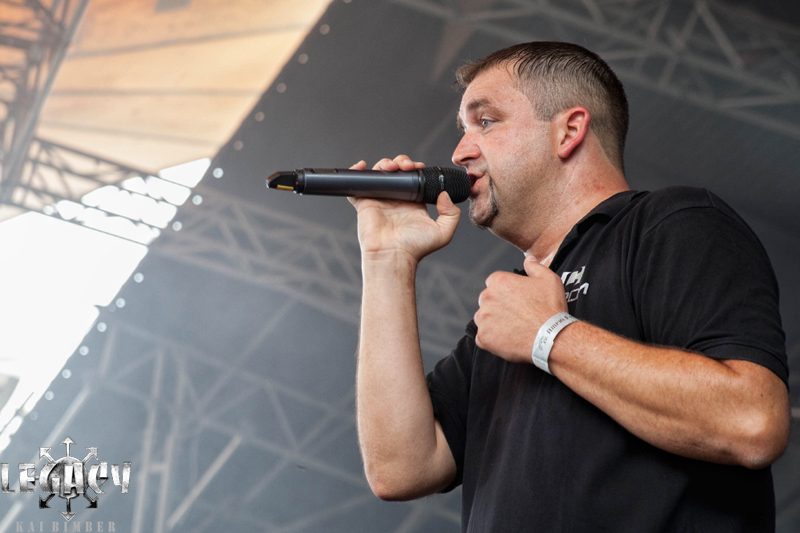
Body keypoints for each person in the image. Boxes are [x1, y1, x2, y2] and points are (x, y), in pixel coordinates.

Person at [348, 42, 790, 532]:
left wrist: (549, 335)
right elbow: (400, 469)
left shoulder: (670, 224)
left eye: (486, 122)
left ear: (569, 131)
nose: (460, 152)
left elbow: (752, 421)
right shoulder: (508, 312)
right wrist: (386, 259)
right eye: (464, 130)